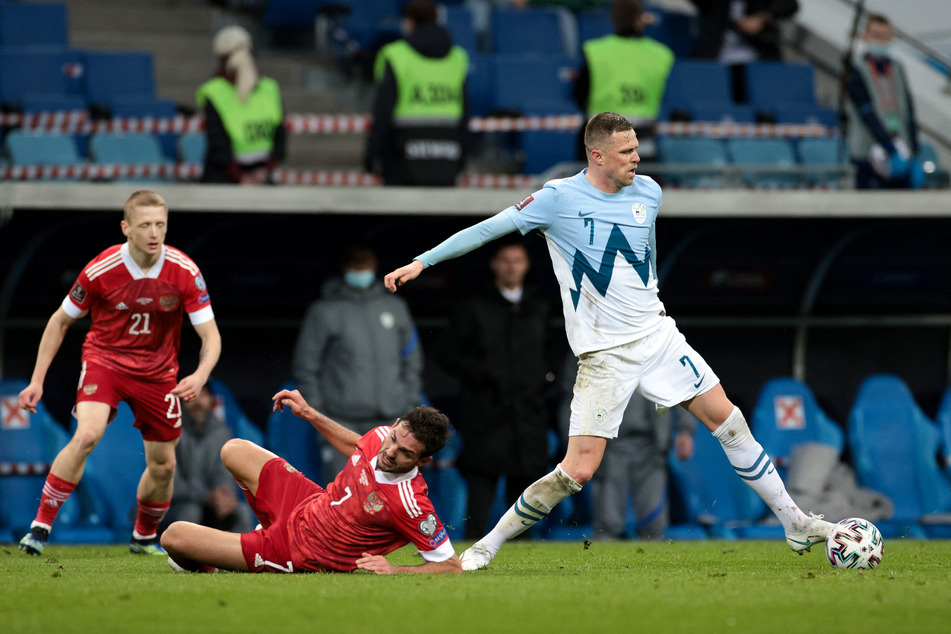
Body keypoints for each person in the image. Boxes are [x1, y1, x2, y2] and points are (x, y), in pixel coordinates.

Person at [384, 112, 834, 571]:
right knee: (578, 471)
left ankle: (794, 522)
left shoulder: (649, 192)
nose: (638, 158)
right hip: (605, 356)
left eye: (637, 148)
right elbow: (486, 230)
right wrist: (422, 262)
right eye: (627, 152)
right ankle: (484, 547)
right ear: (597, 156)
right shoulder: (556, 199)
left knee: (730, 422)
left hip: (657, 336)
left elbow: (648, 255)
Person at [17, 190, 222, 556]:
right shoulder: (102, 268)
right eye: (145, 225)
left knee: (164, 465)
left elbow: (210, 336)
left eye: (161, 224)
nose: (154, 233)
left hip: (159, 374)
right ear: (126, 227)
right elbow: (60, 320)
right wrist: (37, 379)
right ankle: (41, 526)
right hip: (106, 362)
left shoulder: (185, 271)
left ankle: (143, 537)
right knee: (87, 436)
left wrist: (202, 373)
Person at [160, 388, 462, 574]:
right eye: (394, 438)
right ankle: (258, 532)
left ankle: (224, 559)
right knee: (234, 450)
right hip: (307, 502)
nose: (390, 452)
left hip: (299, 551)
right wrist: (308, 414)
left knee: (174, 537)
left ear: (423, 462)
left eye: (405, 454)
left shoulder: (410, 503)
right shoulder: (384, 437)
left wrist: (395, 570)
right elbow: (359, 446)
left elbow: (450, 566)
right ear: (396, 425)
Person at [443, 240, 558, 540]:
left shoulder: (540, 307)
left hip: (528, 416)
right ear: (494, 264)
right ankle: (473, 553)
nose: (511, 266)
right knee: (481, 490)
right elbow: (448, 355)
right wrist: (483, 376)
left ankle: (522, 562)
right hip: (485, 415)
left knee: (526, 497)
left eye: (517, 260)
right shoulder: (473, 307)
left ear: (526, 265)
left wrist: (546, 379)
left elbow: (556, 352)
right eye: (505, 260)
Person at [292, 244, 423, 484]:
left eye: (366, 266)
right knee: (344, 491)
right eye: (356, 267)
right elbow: (306, 367)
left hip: (390, 421)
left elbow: (412, 360)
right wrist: (322, 415)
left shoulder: (394, 306)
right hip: (341, 420)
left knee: (389, 496)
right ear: (345, 270)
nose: (362, 272)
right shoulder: (324, 311)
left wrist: (406, 404)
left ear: (374, 268)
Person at [559, 354, 695, 540]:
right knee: (607, 522)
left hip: (652, 445)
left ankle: (656, 567)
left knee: (653, 522)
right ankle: (603, 566)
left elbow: (676, 384)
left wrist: (685, 429)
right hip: (609, 446)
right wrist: (573, 440)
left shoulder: (654, 338)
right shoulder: (589, 344)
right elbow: (573, 397)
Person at [364, 0, 469, 186]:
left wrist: (372, 153)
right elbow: (464, 111)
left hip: (401, 157)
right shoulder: (458, 57)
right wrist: (463, 156)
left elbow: (383, 110)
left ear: (409, 22)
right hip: (447, 155)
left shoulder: (396, 55)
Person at [573, 0, 674, 160]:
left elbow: (579, 94)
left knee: (596, 183)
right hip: (641, 135)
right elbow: (669, 96)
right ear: (641, 19)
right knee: (640, 182)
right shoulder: (661, 55)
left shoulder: (595, 51)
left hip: (600, 135)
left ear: (614, 19)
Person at [196, 25, 286, 185]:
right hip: (224, 178)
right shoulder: (216, 92)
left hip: (257, 176)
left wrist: (261, 174)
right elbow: (219, 146)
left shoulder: (268, 89)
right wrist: (245, 177)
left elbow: (280, 138)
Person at [160, 384, 254, 535]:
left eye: (203, 395)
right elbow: (170, 484)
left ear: (212, 400)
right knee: (190, 510)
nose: (198, 401)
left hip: (208, 507)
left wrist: (225, 499)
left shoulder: (222, 433)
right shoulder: (169, 432)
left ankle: (245, 555)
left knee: (241, 511)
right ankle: (181, 555)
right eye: (191, 396)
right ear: (181, 402)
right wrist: (208, 497)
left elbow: (225, 476)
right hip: (171, 508)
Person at [845, 13, 925, 190]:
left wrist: (915, 152)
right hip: (868, 151)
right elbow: (865, 111)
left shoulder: (897, 67)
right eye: (876, 35)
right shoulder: (854, 68)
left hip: (901, 149)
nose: (881, 41)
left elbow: (909, 110)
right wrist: (889, 146)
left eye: (885, 36)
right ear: (865, 36)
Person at [689, 0, 800, 102]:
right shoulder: (717, 4)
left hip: (758, 61)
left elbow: (790, 5)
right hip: (717, 61)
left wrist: (761, 18)